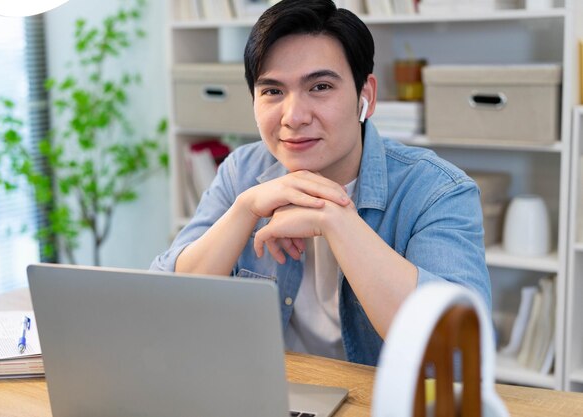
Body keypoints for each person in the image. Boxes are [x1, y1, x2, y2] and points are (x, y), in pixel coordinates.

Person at [151, 0, 490, 366]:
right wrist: (244, 211)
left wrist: (336, 220)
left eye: (320, 86)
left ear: (366, 96)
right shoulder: (242, 171)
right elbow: (165, 303)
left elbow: (458, 345)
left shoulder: (436, 189)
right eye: (273, 91)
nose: (294, 117)